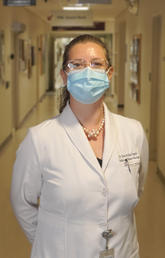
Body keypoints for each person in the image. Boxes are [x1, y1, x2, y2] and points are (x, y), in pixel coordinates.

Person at [11, 34, 148, 258]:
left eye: (96, 64)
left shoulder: (133, 132)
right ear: (64, 75)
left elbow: (136, 190)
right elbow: (22, 203)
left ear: (109, 73)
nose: (87, 72)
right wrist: (52, 243)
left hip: (123, 250)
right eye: (77, 65)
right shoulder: (39, 139)